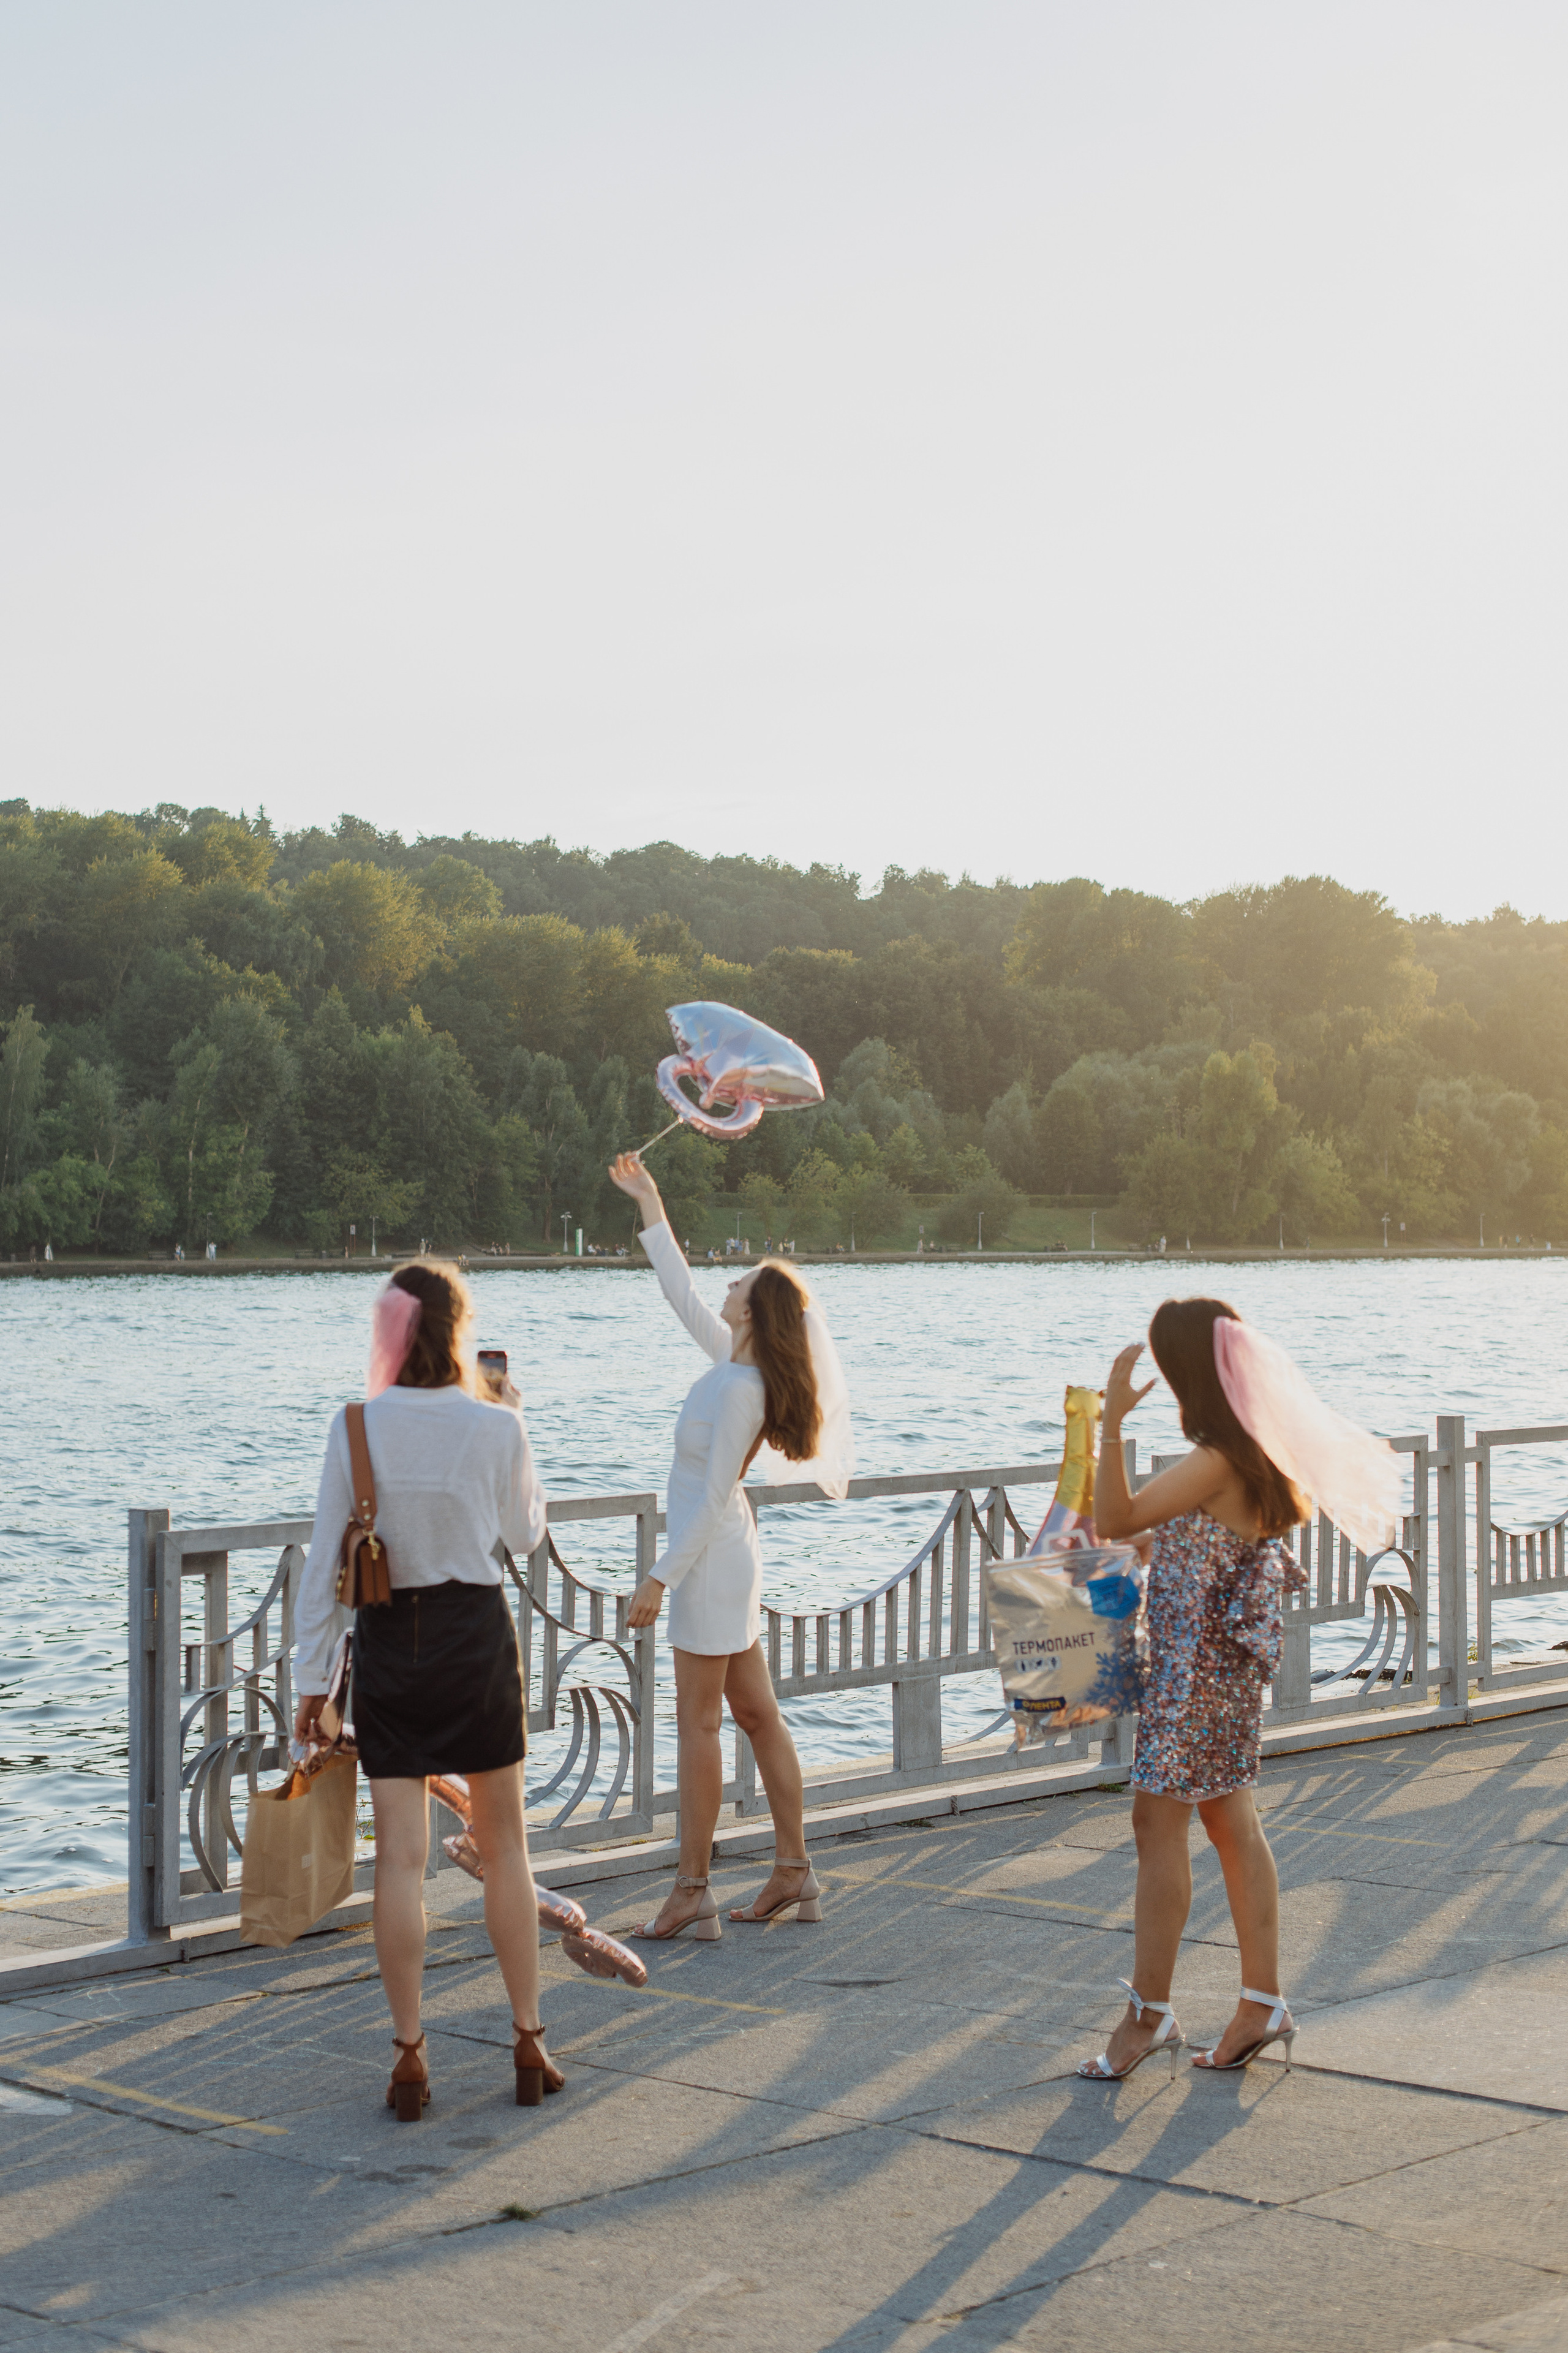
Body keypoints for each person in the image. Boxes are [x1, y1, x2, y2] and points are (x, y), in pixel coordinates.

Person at [1076, 1295, 1396, 2081]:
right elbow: (1175, 1536)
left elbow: (1113, 1519)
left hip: (1195, 1675)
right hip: (1214, 1672)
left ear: (1191, 1374)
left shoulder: (1218, 1456)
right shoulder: (1243, 1454)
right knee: (1229, 1824)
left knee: (1159, 1824)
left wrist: (1109, 1422)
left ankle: (1148, 2015)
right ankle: (1260, 2002)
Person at [291, 1259, 559, 2120]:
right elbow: (524, 1533)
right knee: (506, 1848)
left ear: (390, 1333)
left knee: (400, 1859)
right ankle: (526, 2040)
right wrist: (514, 1418)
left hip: (390, 1645)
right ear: (458, 1331)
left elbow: (325, 1562)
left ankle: (410, 2057)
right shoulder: (496, 1427)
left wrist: (311, 1678)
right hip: (476, 1636)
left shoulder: (357, 1425)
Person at [606, 1150, 852, 1939]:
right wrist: (651, 1201)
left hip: (710, 1561)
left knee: (704, 1726)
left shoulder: (742, 1389)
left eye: (742, 1280)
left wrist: (658, 1577)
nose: (729, 1281)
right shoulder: (733, 1365)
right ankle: (793, 1871)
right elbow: (679, 1289)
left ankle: (692, 1888)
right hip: (722, 1553)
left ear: (754, 1311)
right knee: (755, 1714)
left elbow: (711, 1497)